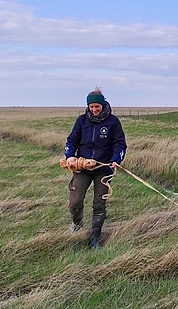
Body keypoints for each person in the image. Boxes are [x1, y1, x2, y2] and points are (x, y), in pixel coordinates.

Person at [64, 87, 127, 248]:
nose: (94, 109)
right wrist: (70, 156)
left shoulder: (113, 122)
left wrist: (115, 160)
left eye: (96, 107)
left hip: (103, 170)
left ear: (103, 105)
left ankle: (95, 237)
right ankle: (77, 225)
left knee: (99, 203)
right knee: (75, 201)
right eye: (91, 107)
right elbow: (71, 141)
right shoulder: (81, 121)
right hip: (82, 169)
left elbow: (120, 144)